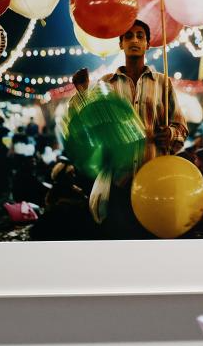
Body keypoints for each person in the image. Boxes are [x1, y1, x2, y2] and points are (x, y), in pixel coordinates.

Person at [72, 19, 188, 232]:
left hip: (156, 179)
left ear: (147, 44)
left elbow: (181, 127)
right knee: (121, 238)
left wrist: (170, 134)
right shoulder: (106, 84)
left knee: (152, 239)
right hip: (119, 182)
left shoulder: (163, 83)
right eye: (128, 36)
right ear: (121, 43)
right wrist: (82, 93)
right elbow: (91, 127)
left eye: (140, 36)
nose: (134, 40)